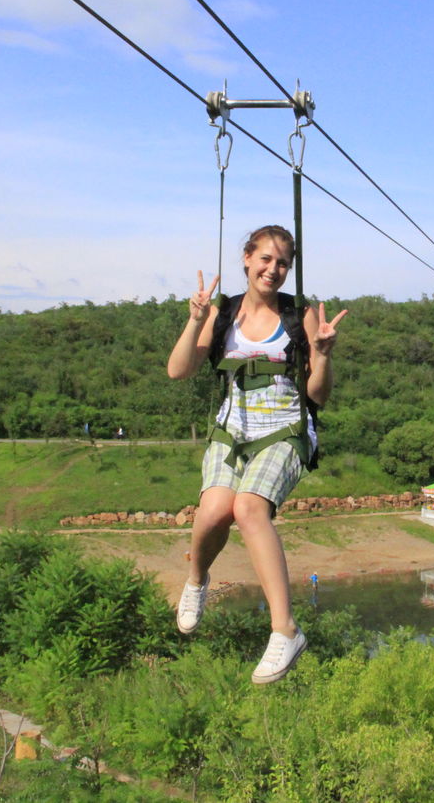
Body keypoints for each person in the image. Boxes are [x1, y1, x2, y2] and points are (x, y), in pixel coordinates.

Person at [167, 224, 347, 683]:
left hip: (284, 429)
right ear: (246, 259)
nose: (274, 269)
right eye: (266, 259)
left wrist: (322, 355)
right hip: (233, 430)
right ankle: (196, 581)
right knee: (212, 512)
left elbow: (318, 396)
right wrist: (194, 319)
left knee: (248, 508)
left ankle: (285, 630)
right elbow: (178, 370)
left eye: (283, 262)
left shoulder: (298, 316)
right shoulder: (222, 313)